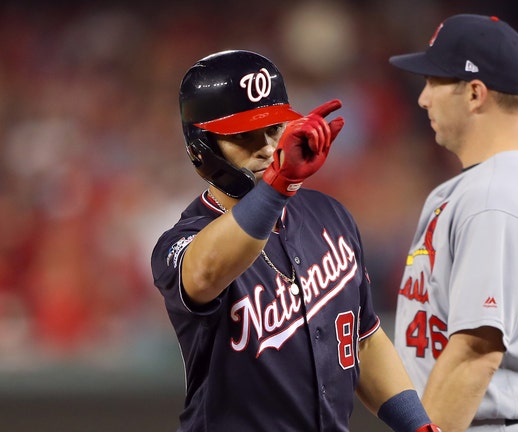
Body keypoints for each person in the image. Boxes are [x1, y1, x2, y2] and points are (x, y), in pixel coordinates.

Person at [151, 49, 440, 432]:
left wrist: (418, 426)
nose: (268, 149)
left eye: (273, 130)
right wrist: (278, 185)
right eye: (244, 136)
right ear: (200, 145)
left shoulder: (329, 215)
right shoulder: (181, 241)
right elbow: (204, 274)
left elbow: (364, 339)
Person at [388, 14, 518, 432]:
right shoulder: (501, 183)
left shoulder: (496, 197)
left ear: (475, 93)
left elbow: (475, 353)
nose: (423, 98)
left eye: (435, 81)